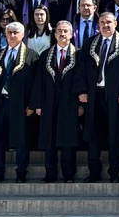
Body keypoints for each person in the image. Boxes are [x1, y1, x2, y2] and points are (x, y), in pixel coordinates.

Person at [82, 12, 119, 182]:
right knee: (93, 135)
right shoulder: (90, 43)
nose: (105, 25)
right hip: (94, 95)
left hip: (115, 96)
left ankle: (114, 173)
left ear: (116, 23)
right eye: (102, 22)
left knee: (114, 135)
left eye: (109, 22)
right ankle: (94, 173)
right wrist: (82, 91)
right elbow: (81, 69)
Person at [0, 22, 37, 182]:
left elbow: (35, 83)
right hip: (0, 103)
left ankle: (21, 173)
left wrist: (32, 105)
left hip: (20, 105)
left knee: (21, 140)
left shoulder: (31, 56)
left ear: (23, 35)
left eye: (16, 33)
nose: (12, 35)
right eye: (9, 33)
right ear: (5, 35)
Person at [33, 21, 84, 183]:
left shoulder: (79, 55)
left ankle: (69, 174)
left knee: (68, 141)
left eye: (65, 31)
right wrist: (38, 104)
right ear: (54, 35)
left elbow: (82, 82)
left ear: (72, 34)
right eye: (59, 31)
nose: (62, 34)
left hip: (70, 105)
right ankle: (50, 174)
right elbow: (39, 82)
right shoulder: (45, 55)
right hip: (49, 104)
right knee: (50, 141)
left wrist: (81, 105)